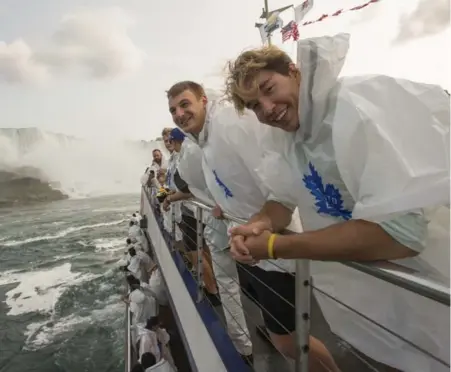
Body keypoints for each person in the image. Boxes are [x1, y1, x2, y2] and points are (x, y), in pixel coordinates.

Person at [224, 34, 450, 372]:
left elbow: (402, 234)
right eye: (254, 105)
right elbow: (283, 197)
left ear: (293, 71)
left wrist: (275, 246)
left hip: (434, 281)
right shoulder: (288, 136)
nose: (267, 109)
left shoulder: (354, 108)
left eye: (268, 89)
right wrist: (262, 222)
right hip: (383, 297)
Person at [166, 80, 337, 370]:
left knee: (290, 340)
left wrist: (264, 227)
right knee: (283, 335)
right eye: (173, 109)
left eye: (185, 104)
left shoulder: (229, 126)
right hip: (248, 245)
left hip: (272, 246)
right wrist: (223, 206)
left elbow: (276, 183)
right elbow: (234, 181)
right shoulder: (204, 139)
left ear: (203, 100)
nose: (180, 113)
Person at [162, 129, 220, 304]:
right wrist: (170, 193)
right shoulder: (177, 158)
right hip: (191, 210)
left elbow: (189, 190)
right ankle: (214, 285)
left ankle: (211, 290)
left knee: (194, 252)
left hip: (193, 210)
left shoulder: (186, 156)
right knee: (201, 250)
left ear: (174, 140)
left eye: (169, 140)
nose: (167, 143)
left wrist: (170, 198)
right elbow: (178, 185)